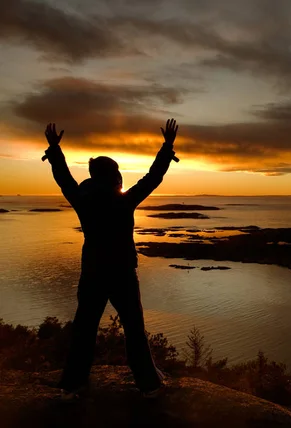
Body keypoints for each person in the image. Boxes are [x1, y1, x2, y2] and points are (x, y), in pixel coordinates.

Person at [43, 119, 179, 399]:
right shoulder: (123, 199)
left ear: (93, 175)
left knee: (84, 329)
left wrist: (54, 149)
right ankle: (148, 383)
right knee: (134, 329)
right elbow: (153, 178)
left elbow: (63, 177)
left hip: (93, 272)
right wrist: (167, 147)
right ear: (114, 176)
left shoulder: (82, 198)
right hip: (122, 273)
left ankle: (73, 383)